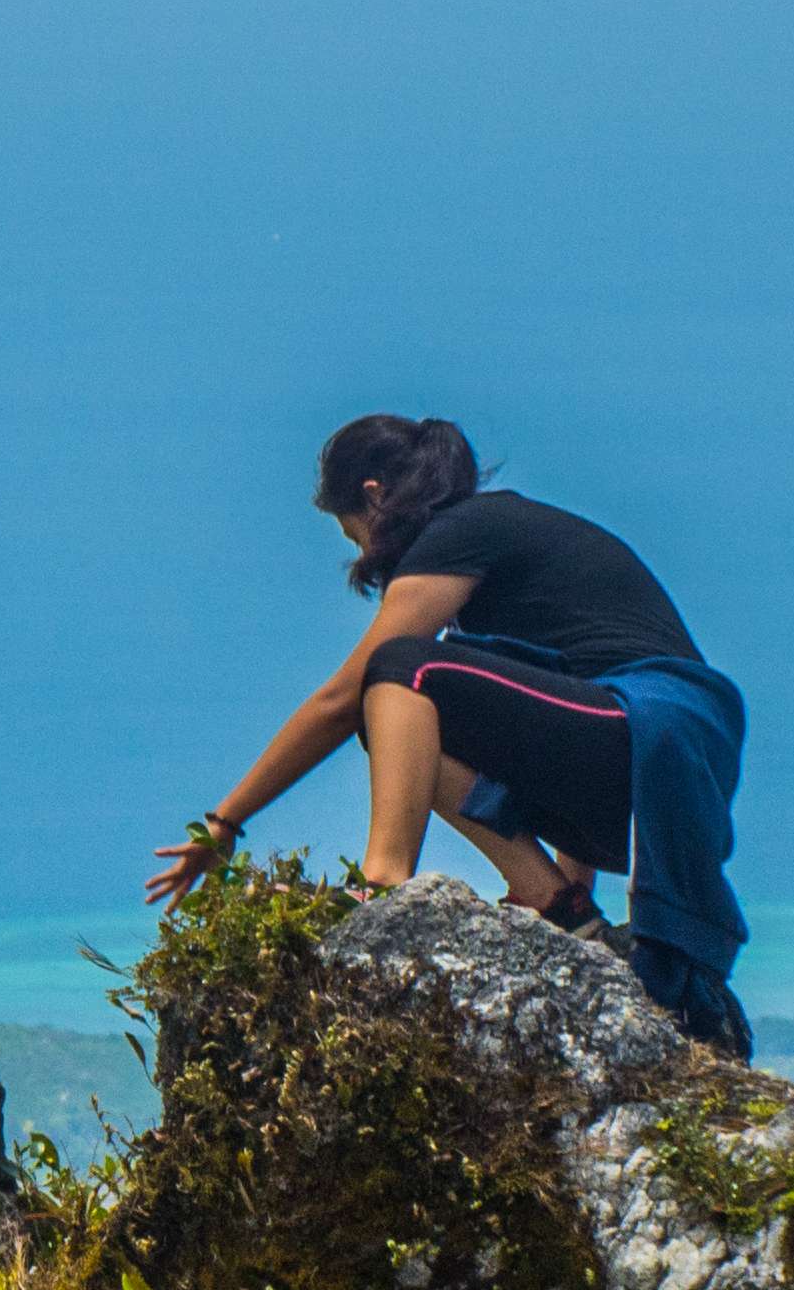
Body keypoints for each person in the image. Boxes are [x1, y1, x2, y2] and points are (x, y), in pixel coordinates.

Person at [140, 414, 756, 1058]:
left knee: (399, 671)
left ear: (375, 496)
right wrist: (583, 894)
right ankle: (558, 904)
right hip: (646, 779)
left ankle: (383, 882)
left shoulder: (463, 528)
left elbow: (341, 699)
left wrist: (226, 821)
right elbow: (563, 700)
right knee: (406, 725)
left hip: (650, 738)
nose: (359, 551)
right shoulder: (497, 545)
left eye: (351, 530)